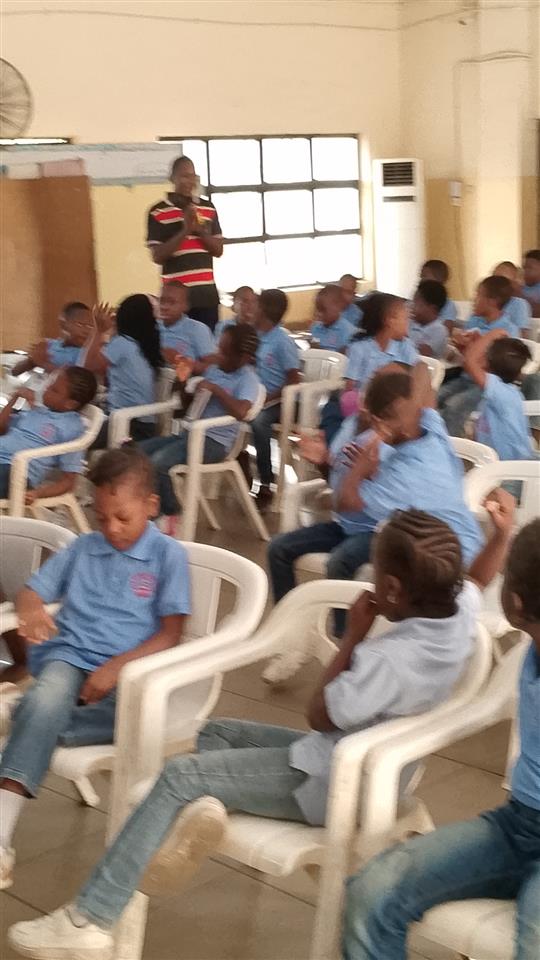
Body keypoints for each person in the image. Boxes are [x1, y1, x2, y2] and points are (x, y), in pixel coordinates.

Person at [5, 500, 514, 959]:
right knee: (216, 732)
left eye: (376, 574)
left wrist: (353, 636)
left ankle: (90, 920)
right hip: (355, 762)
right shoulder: (455, 612)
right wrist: (500, 537)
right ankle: (194, 818)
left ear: (393, 590)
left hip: (331, 784)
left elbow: (320, 714)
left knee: (180, 776)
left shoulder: (389, 658)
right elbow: (478, 579)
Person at [342, 513, 540, 960]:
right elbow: (472, 585)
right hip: (518, 826)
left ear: (514, 603)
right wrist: (501, 538)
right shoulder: (531, 645)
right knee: (373, 891)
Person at [0, 448, 190, 891]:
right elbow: (31, 592)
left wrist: (116, 668)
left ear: (151, 505)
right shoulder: (84, 547)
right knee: (48, 698)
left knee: (56, 714)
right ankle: (2, 835)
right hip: (70, 658)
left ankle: (29, 716)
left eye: (122, 518)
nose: (112, 529)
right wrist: (31, 610)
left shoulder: (167, 555)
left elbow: (170, 635)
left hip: (131, 674)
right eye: (102, 518)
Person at [268, 364, 483, 619]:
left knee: (340, 561)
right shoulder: (427, 424)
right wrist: (327, 462)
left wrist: (361, 469)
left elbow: (345, 502)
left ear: (379, 421)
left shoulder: (408, 471)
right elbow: (422, 370)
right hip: (364, 524)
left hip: (419, 541)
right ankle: (287, 623)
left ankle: (344, 634)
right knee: (278, 549)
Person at [138, 325, 261, 534]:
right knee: (137, 453)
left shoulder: (247, 379)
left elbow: (242, 412)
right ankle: (149, 508)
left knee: (158, 463)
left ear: (243, 358)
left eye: (224, 353)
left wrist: (216, 390)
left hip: (215, 443)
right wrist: (184, 382)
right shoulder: (214, 370)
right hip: (189, 435)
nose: (218, 356)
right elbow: (185, 405)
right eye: (219, 349)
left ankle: (170, 513)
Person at [146, 156, 224, 332]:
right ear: (172, 178)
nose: (189, 181)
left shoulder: (208, 208)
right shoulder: (157, 211)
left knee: (207, 342)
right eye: (184, 176)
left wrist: (200, 231)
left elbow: (219, 250)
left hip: (206, 297)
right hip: (174, 300)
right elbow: (157, 256)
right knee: (177, 343)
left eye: (192, 176)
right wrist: (185, 231)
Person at [0, 366, 97, 505]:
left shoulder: (71, 427)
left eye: (54, 390)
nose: (46, 389)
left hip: (13, 472)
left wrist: (37, 493)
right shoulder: (38, 412)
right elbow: (2, 428)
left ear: (70, 404)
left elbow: (69, 481)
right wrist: (14, 398)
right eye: (51, 384)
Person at [438, 275, 518, 437]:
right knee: (433, 397)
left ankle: (453, 447)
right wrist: (461, 345)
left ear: (493, 301)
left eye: (479, 295)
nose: (474, 299)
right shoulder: (475, 321)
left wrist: (475, 346)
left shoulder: (507, 330)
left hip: (484, 385)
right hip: (465, 378)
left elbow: (497, 368)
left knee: (454, 406)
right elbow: (466, 359)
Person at [84, 295, 163, 445]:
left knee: (76, 437)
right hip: (142, 424)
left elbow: (87, 367)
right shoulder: (145, 346)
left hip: (129, 425)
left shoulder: (123, 344)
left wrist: (98, 330)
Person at [250, 289, 300, 507]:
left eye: (256, 304)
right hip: (257, 397)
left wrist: (268, 398)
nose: (252, 308)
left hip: (280, 401)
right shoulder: (255, 335)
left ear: (263, 310)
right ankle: (242, 471)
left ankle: (266, 482)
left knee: (259, 421)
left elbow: (293, 380)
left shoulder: (282, 340)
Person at [463, 330, 535, 461]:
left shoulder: (501, 392)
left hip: (511, 466)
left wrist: (495, 332)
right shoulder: (502, 391)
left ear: (488, 362)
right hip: (497, 461)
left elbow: (470, 361)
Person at [12, 303, 93, 377]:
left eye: (90, 326)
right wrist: (32, 360)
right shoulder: (48, 344)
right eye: (80, 324)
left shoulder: (86, 354)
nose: (86, 331)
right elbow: (15, 371)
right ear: (63, 324)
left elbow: (74, 380)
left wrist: (43, 363)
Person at [157, 281, 215, 373]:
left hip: (184, 380)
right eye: (162, 301)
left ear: (185, 306)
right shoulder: (151, 327)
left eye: (172, 302)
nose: (164, 307)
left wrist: (178, 360)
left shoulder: (197, 329)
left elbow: (212, 368)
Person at [408, 280, 449, 359]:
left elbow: (422, 354)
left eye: (416, 303)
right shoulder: (411, 323)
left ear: (432, 309)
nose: (412, 306)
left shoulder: (439, 330)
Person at [310, 284, 356, 352]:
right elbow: (315, 348)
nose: (319, 314)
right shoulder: (316, 328)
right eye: (318, 309)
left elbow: (346, 356)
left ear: (338, 307)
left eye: (323, 309)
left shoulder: (348, 332)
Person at [420, 260, 457, 331]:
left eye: (424, 276)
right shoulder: (419, 300)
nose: (421, 281)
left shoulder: (448, 305)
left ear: (438, 280)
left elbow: (446, 331)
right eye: (421, 277)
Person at [522, 248, 540, 317]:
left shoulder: (518, 291)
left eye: (529, 268)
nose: (525, 271)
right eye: (524, 268)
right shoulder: (521, 287)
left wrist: (519, 295)